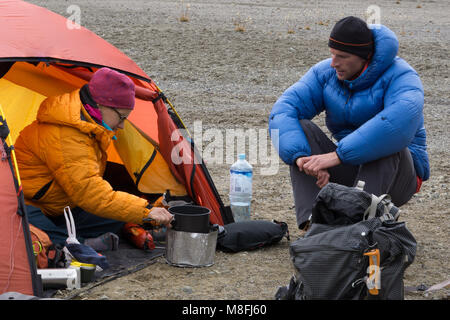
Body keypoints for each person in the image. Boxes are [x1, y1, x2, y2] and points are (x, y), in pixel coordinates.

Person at [269, 16, 429, 230]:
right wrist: (302, 160)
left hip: (398, 177)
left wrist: (336, 156)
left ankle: (357, 226)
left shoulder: (402, 76)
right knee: (302, 132)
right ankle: (314, 224)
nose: (334, 62)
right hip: (351, 166)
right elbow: (284, 110)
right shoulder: (327, 73)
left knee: (386, 140)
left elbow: (397, 123)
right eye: (332, 54)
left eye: (342, 56)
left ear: (366, 57)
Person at [15, 67, 173, 248]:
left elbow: (90, 188)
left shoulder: (90, 125)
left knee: (117, 214)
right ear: (101, 105)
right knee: (40, 235)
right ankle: (79, 245)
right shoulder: (66, 134)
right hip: (29, 205)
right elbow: (89, 192)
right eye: (121, 117)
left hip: (65, 206)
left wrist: (148, 211)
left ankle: (131, 228)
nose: (122, 126)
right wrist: (145, 211)